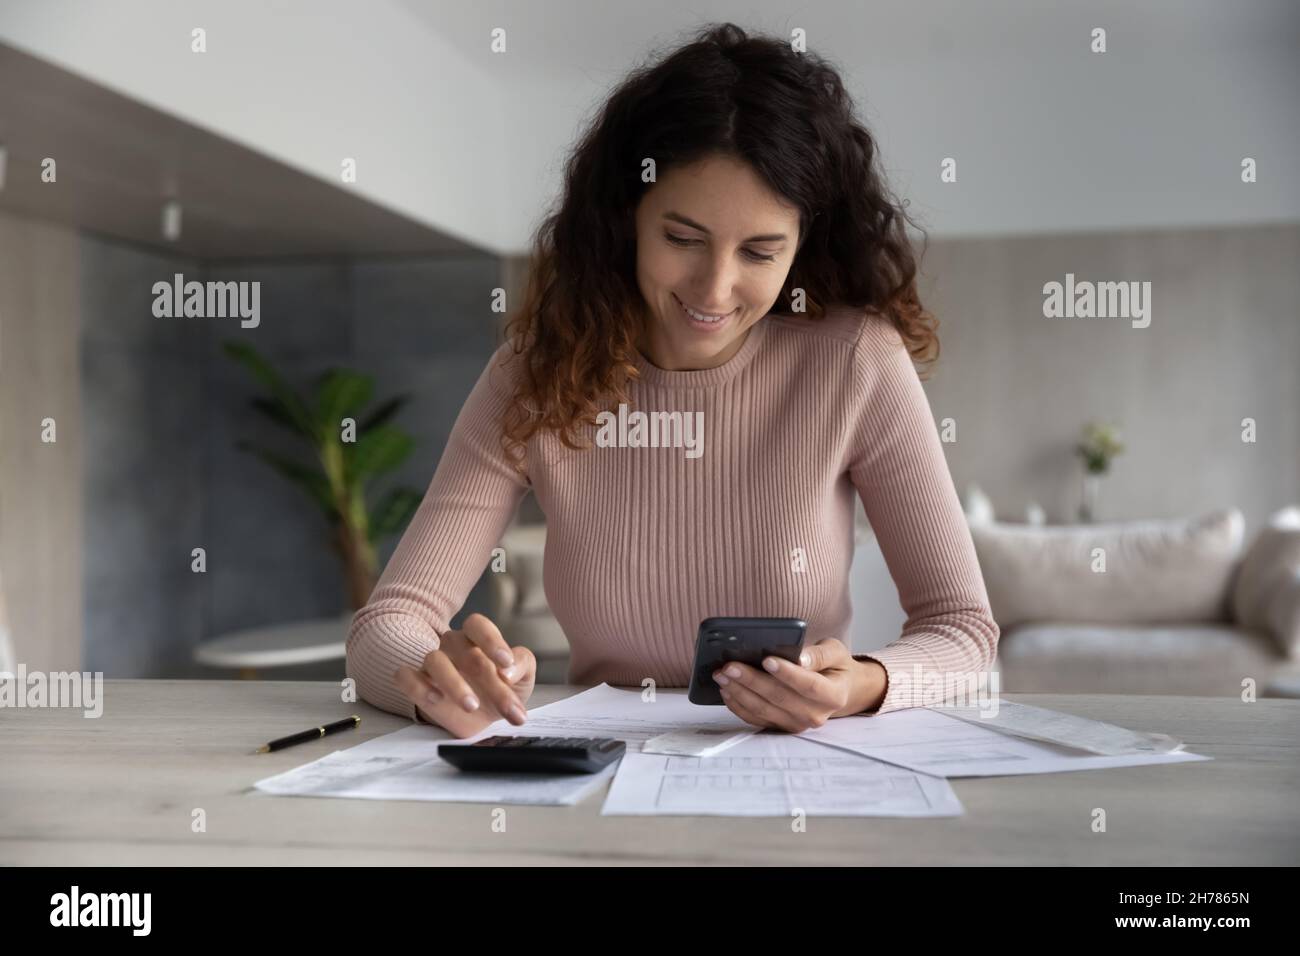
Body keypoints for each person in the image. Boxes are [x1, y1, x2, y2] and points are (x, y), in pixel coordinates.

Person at [346, 22, 999, 739]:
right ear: (626, 220)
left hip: (801, 775)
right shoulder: (537, 372)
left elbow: (963, 631)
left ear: (804, 246)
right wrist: (439, 679)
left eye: (759, 251)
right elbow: (386, 627)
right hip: (601, 772)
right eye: (681, 239)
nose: (715, 290)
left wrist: (863, 686)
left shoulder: (855, 362)